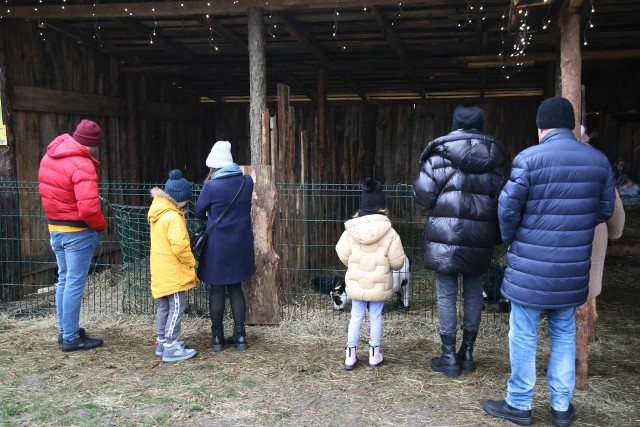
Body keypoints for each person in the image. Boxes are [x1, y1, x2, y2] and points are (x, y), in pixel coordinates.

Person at [483, 97, 616, 427]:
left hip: (530, 267)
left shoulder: (528, 159)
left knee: (524, 334)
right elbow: (605, 210)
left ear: (541, 127)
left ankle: (519, 404)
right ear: (570, 126)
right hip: (572, 269)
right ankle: (560, 407)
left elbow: (507, 211)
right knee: (563, 334)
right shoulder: (599, 161)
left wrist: (515, 238)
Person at [412, 105, 507, 378]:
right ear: (480, 125)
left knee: (446, 295)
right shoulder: (495, 160)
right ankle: (467, 354)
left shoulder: (439, 156)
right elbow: (502, 198)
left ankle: (449, 357)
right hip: (480, 237)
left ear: (455, 125)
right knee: (474, 293)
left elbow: (423, 197)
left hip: (446, 236)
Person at [38, 119, 107, 352]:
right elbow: (88, 208)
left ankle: (65, 330)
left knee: (65, 280)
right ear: (95, 145)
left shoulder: (50, 156)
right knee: (74, 283)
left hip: (55, 228)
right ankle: (70, 338)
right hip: (77, 232)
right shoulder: (82, 164)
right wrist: (100, 225)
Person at [336, 179, 406, 370]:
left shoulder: (351, 230)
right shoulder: (390, 232)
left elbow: (341, 252)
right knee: (376, 316)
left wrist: (353, 264)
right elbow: (398, 261)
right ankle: (374, 355)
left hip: (357, 283)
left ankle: (350, 355)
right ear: (382, 207)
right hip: (378, 283)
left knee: (355, 316)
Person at [195, 141, 255, 352]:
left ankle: (217, 338)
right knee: (236, 287)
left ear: (214, 165)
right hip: (240, 243)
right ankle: (240, 337)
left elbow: (197, 211)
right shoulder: (246, 182)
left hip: (218, 246)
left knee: (217, 288)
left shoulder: (211, 186)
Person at [148, 169, 199, 362]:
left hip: (161, 269)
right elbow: (179, 246)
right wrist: (191, 262)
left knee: (164, 307)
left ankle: (162, 342)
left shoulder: (158, 212)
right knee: (177, 306)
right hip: (173, 270)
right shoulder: (173, 217)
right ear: (179, 198)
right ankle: (171, 346)